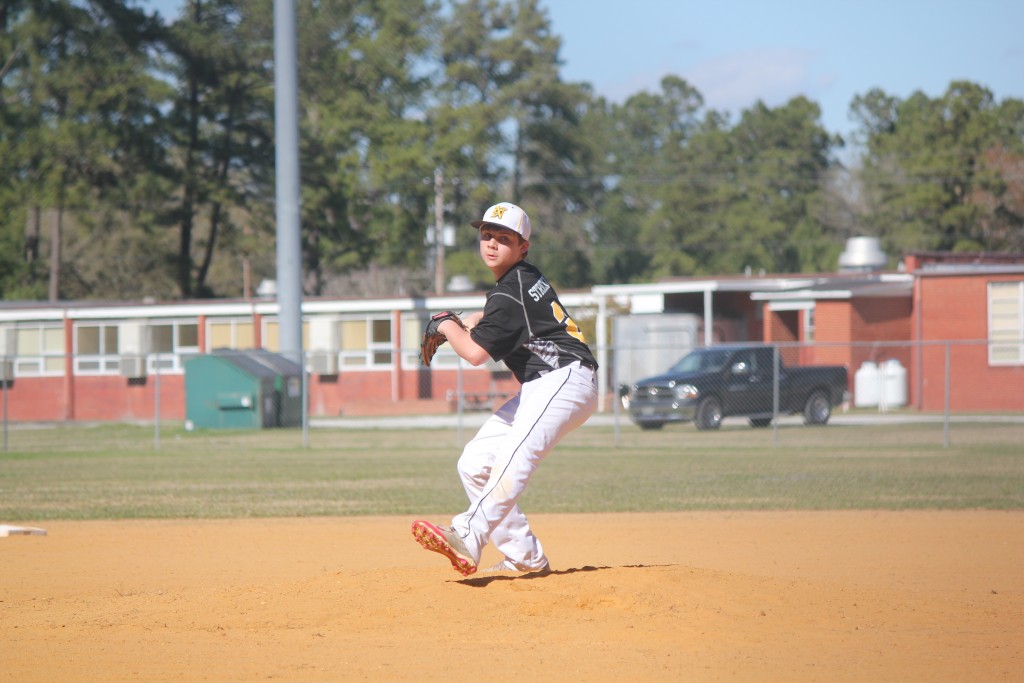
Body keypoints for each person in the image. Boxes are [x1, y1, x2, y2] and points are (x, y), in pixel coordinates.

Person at [411, 201, 599, 576]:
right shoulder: (522, 279)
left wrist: (445, 323)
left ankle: (467, 533)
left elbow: (476, 353)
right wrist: (461, 322)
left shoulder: (508, 294)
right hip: (547, 383)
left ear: (523, 246)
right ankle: (526, 558)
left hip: (564, 378)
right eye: (486, 236)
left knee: (516, 456)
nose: (492, 244)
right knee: (475, 463)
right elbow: (494, 318)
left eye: (503, 238)